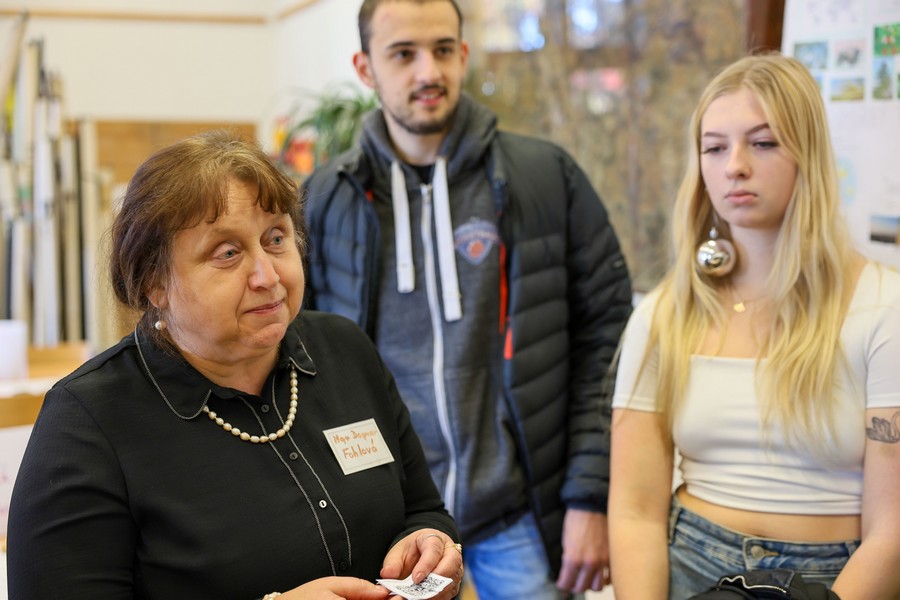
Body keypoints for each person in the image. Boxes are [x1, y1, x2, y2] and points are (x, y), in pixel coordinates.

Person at [6, 130, 465, 600]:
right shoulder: (87, 423)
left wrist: (431, 542)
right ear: (154, 282)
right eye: (227, 253)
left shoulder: (345, 349)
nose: (267, 275)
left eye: (276, 238)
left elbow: (422, 508)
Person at [301, 0, 633, 598]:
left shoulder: (544, 176)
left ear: (464, 54)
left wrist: (590, 496)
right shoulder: (327, 199)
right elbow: (302, 363)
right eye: (404, 54)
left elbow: (607, 340)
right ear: (366, 68)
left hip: (519, 519)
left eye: (442, 50)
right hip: (395, 531)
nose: (428, 71)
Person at [608, 52, 900, 600]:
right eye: (714, 148)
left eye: (762, 143)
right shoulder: (665, 313)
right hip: (691, 565)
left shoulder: (884, 307)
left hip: (834, 578)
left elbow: (892, 534)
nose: (734, 166)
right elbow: (635, 511)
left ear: (808, 154)